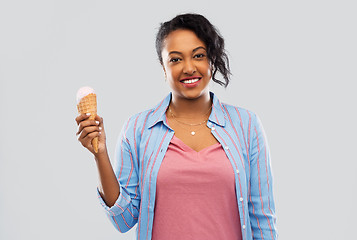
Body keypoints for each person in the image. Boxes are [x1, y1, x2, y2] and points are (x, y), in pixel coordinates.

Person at [76, 13, 277, 240]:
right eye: (175, 59)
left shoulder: (247, 125)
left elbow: (262, 220)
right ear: (163, 66)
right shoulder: (138, 129)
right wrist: (99, 154)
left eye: (198, 56)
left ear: (211, 59)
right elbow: (123, 220)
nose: (189, 68)